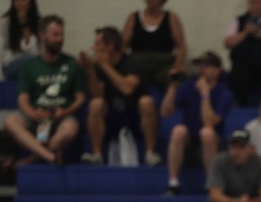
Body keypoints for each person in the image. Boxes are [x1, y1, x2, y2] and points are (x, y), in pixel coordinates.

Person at [2, 15, 86, 166]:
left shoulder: (73, 64)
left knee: (70, 128)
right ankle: (51, 157)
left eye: (61, 35)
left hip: (61, 116)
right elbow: (23, 99)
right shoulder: (29, 66)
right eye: (55, 35)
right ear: (42, 35)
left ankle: (32, 159)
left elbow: (80, 98)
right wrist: (32, 113)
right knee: (10, 122)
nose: (59, 39)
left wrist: (65, 112)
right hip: (38, 117)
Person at [78, 26, 161, 166]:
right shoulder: (99, 66)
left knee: (147, 102)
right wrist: (91, 71)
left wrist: (105, 66)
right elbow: (97, 95)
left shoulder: (133, 63)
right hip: (110, 116)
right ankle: (97, 155)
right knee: (95, 104)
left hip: (134, 116)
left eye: (98, 44)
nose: (93, 47)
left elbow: (127, 89)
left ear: (110, 46)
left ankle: (150, 153)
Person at [160, 50, 234, 196]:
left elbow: (210, 122)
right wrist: (173, 86)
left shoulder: (224, 93)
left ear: (217, 70)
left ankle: (211, 183)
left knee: (206, 132)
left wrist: (205, 95)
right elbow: (165, 112)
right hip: (190, 140)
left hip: (213, 142)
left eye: (206, 66)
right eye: (199, 65)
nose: (201, 69)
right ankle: (173, 182)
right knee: (178, 130)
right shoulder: (189, 86)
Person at [121, 0, 187, 90]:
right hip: (138, 66)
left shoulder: (171, 18)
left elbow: (181, 47)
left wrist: (176, 67)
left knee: (176, 80)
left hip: (164, 67)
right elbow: (122, 46)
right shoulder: (133, 17)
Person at [0, 0, 39, 81]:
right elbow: (3, 53)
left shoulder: (38, 21)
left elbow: (38, 50)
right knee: (29, 60)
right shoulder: (5, 22)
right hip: (10, 64)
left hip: (33, 62)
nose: (20, 3)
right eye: (16, 1)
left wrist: (25, 23)